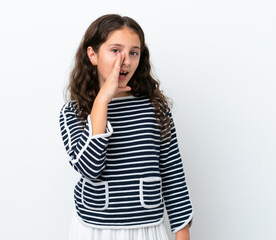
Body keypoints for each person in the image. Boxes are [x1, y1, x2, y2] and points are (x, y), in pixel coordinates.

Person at [59, 14, 194, 240]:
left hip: (147, 229)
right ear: (92, 55)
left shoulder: (155, 108)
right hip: (94, 228)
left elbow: (173, 174)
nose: (126, 61)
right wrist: (102, 101)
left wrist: (182, 233)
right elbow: (90, 168)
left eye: (133, 52)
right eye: (115, 50)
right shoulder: (74, 112)